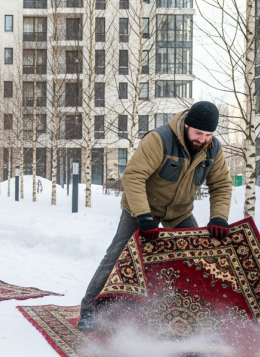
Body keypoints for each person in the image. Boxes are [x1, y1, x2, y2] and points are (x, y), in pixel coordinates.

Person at [78, 101, 233, 331]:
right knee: (118, 255)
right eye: (198, 133)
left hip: (179, 212)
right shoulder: (160, 139)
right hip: (140, 209)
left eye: (208, 135)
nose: (202, 139)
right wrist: (144, 216)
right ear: (187, 125)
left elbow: (221, 184)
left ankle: (192, 315)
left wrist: (219, 217)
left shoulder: (213, 149)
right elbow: (133, 176)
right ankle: (88, 309)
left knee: (195, 259)